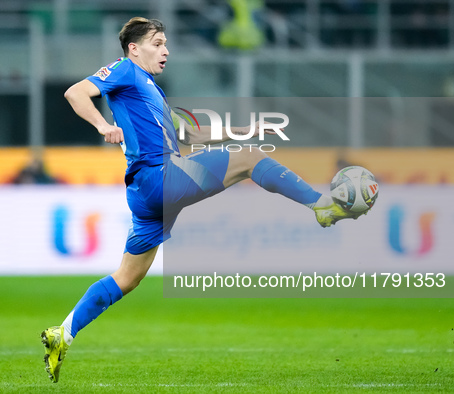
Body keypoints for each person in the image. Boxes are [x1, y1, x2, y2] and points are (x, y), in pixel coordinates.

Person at [41, 17, 363, 383]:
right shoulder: (124, 72)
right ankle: (321, 205)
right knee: (251, 159)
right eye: (158, 43)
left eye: (166, 44)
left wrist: (246, 130)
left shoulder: (151, 92)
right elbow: (75, 92)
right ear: (134, 48)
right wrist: (103, 126)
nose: (166, 51)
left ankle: (62, 333)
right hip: (158, 178)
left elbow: (189, 135)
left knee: (127, 279)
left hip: (146, 194)